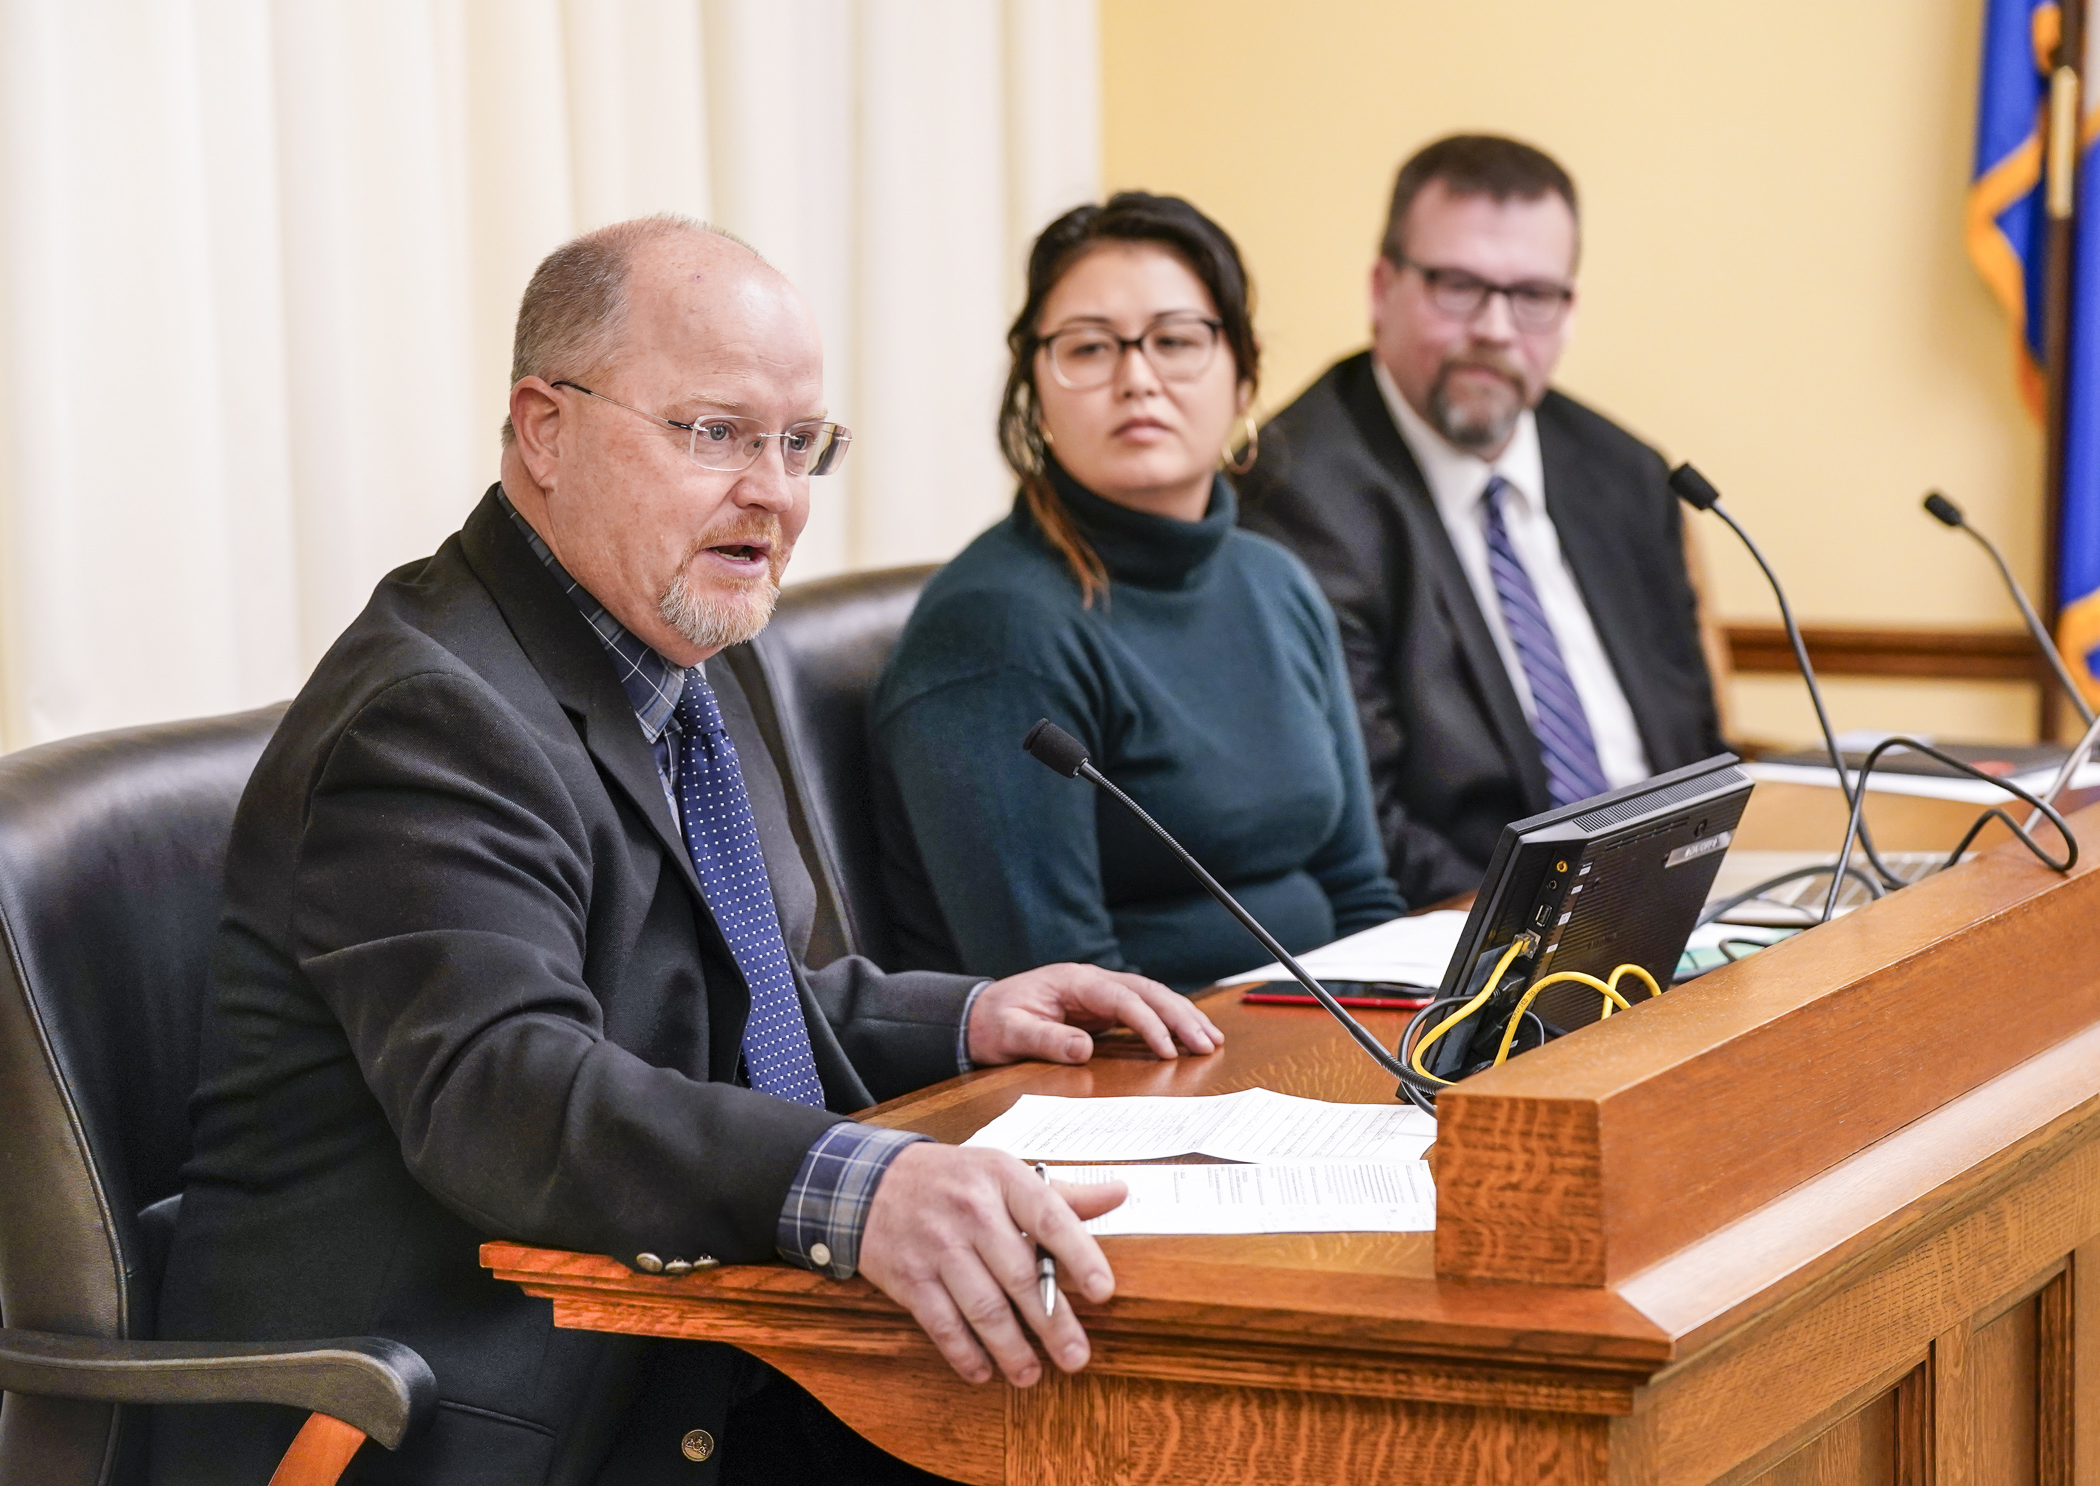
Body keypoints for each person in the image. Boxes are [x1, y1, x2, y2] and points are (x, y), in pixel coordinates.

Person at [151, 216, 1224, 1486]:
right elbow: (506, 1092)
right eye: (716, 433)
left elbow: (743, 996)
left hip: (682, 1331)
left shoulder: (685, 637)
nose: (772, 493)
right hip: (459, 1409)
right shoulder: (430, 711)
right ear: (544, 429)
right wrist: (862, 1190)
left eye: (798, 444)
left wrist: (975, 1017)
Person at [870, 193, 1405, 992]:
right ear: (1035, 389)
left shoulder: (1276, 583)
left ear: (1244, 373)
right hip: (1134, 1086)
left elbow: (1360, 896)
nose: (1137, 378)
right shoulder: (998, 627)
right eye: (1088, 350)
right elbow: (1069, 996)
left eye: (1177, 340)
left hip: (1340, 1040)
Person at [1240, 134, 1725, 906]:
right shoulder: (1297, 494)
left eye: (1533, 295)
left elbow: (1694, 747)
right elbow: (1364, 826)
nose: (1497, 329)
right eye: (1459, 286)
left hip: (1679, 910)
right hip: (1475, 942)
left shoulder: (1625, 474)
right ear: (1381, 288)